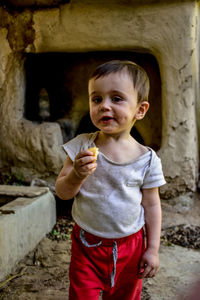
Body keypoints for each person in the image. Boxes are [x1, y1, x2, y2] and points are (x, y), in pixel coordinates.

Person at [55, 60, 166, 300]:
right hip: (87, 246)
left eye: (116, 98)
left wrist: (152, 249)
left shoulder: (147, 160)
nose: (104, 105)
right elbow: (62, 192)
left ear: (140, 110)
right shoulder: (81, 146)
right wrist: (76, 175)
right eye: (97, 99)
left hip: (131, 248)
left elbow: (152, 205)